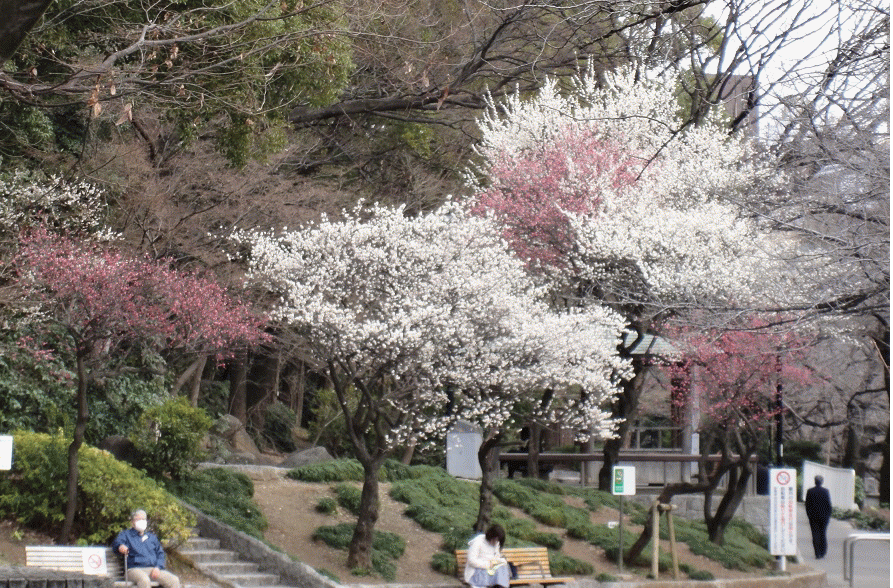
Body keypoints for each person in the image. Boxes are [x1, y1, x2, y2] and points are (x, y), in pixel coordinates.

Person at [112, 509, 181, 588]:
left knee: (174, 580)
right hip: (134, 570)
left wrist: (158, 567)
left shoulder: (152, 537)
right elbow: (116, 543)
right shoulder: (126, 535)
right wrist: (120, 546)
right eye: (138, 519)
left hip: (152, 569)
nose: (141, 521)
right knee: (144, 580)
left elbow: (161, 554)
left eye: (143, 519)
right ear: (132, 522)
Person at [804, 475, 833, 559]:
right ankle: (823, 552)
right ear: (822, 482)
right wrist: (828, 515)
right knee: (823, 533)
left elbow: (807, 505)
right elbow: (828, 505)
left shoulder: (810, 491)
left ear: (815, 481)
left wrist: (809, 515)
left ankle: (817, 553)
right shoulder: (825, 491)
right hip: (824, 517)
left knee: (815, 534)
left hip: (813, 517)